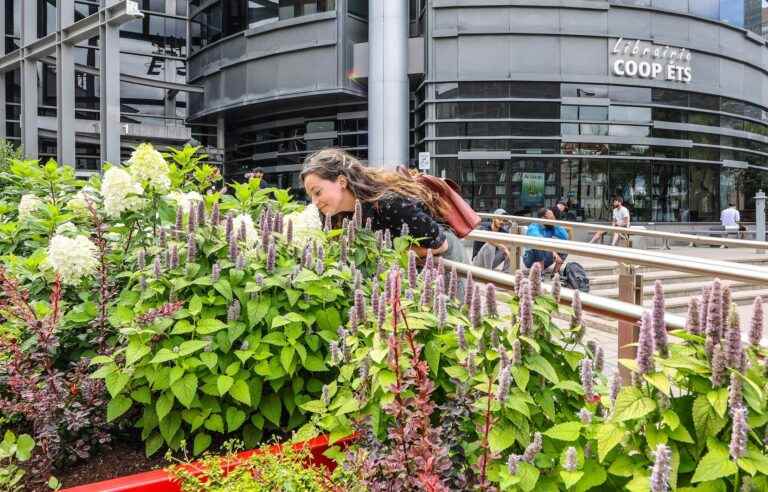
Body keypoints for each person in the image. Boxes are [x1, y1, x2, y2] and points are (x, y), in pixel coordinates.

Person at [300, 149, 467, 263]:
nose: (315, 202)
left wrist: (382, 253)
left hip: (446, 259)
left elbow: (441, 244)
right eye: (311, 196)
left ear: (342, 181)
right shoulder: (337, 217)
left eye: (318, 192)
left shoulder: (390, 204)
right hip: (411, 268)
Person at [523, 208, 569, 274]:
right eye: (551, 218)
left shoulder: (550, 227)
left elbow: (565, 237)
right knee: (539, 246)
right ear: (543, 218)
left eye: (554, 217)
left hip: (545, 258)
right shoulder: (533, 226)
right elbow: (540, 239)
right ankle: (540, 274)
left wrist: (555, 224)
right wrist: (553, 252)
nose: (553, 219)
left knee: (566, 247)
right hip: (531, 259)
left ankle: (555, 274)